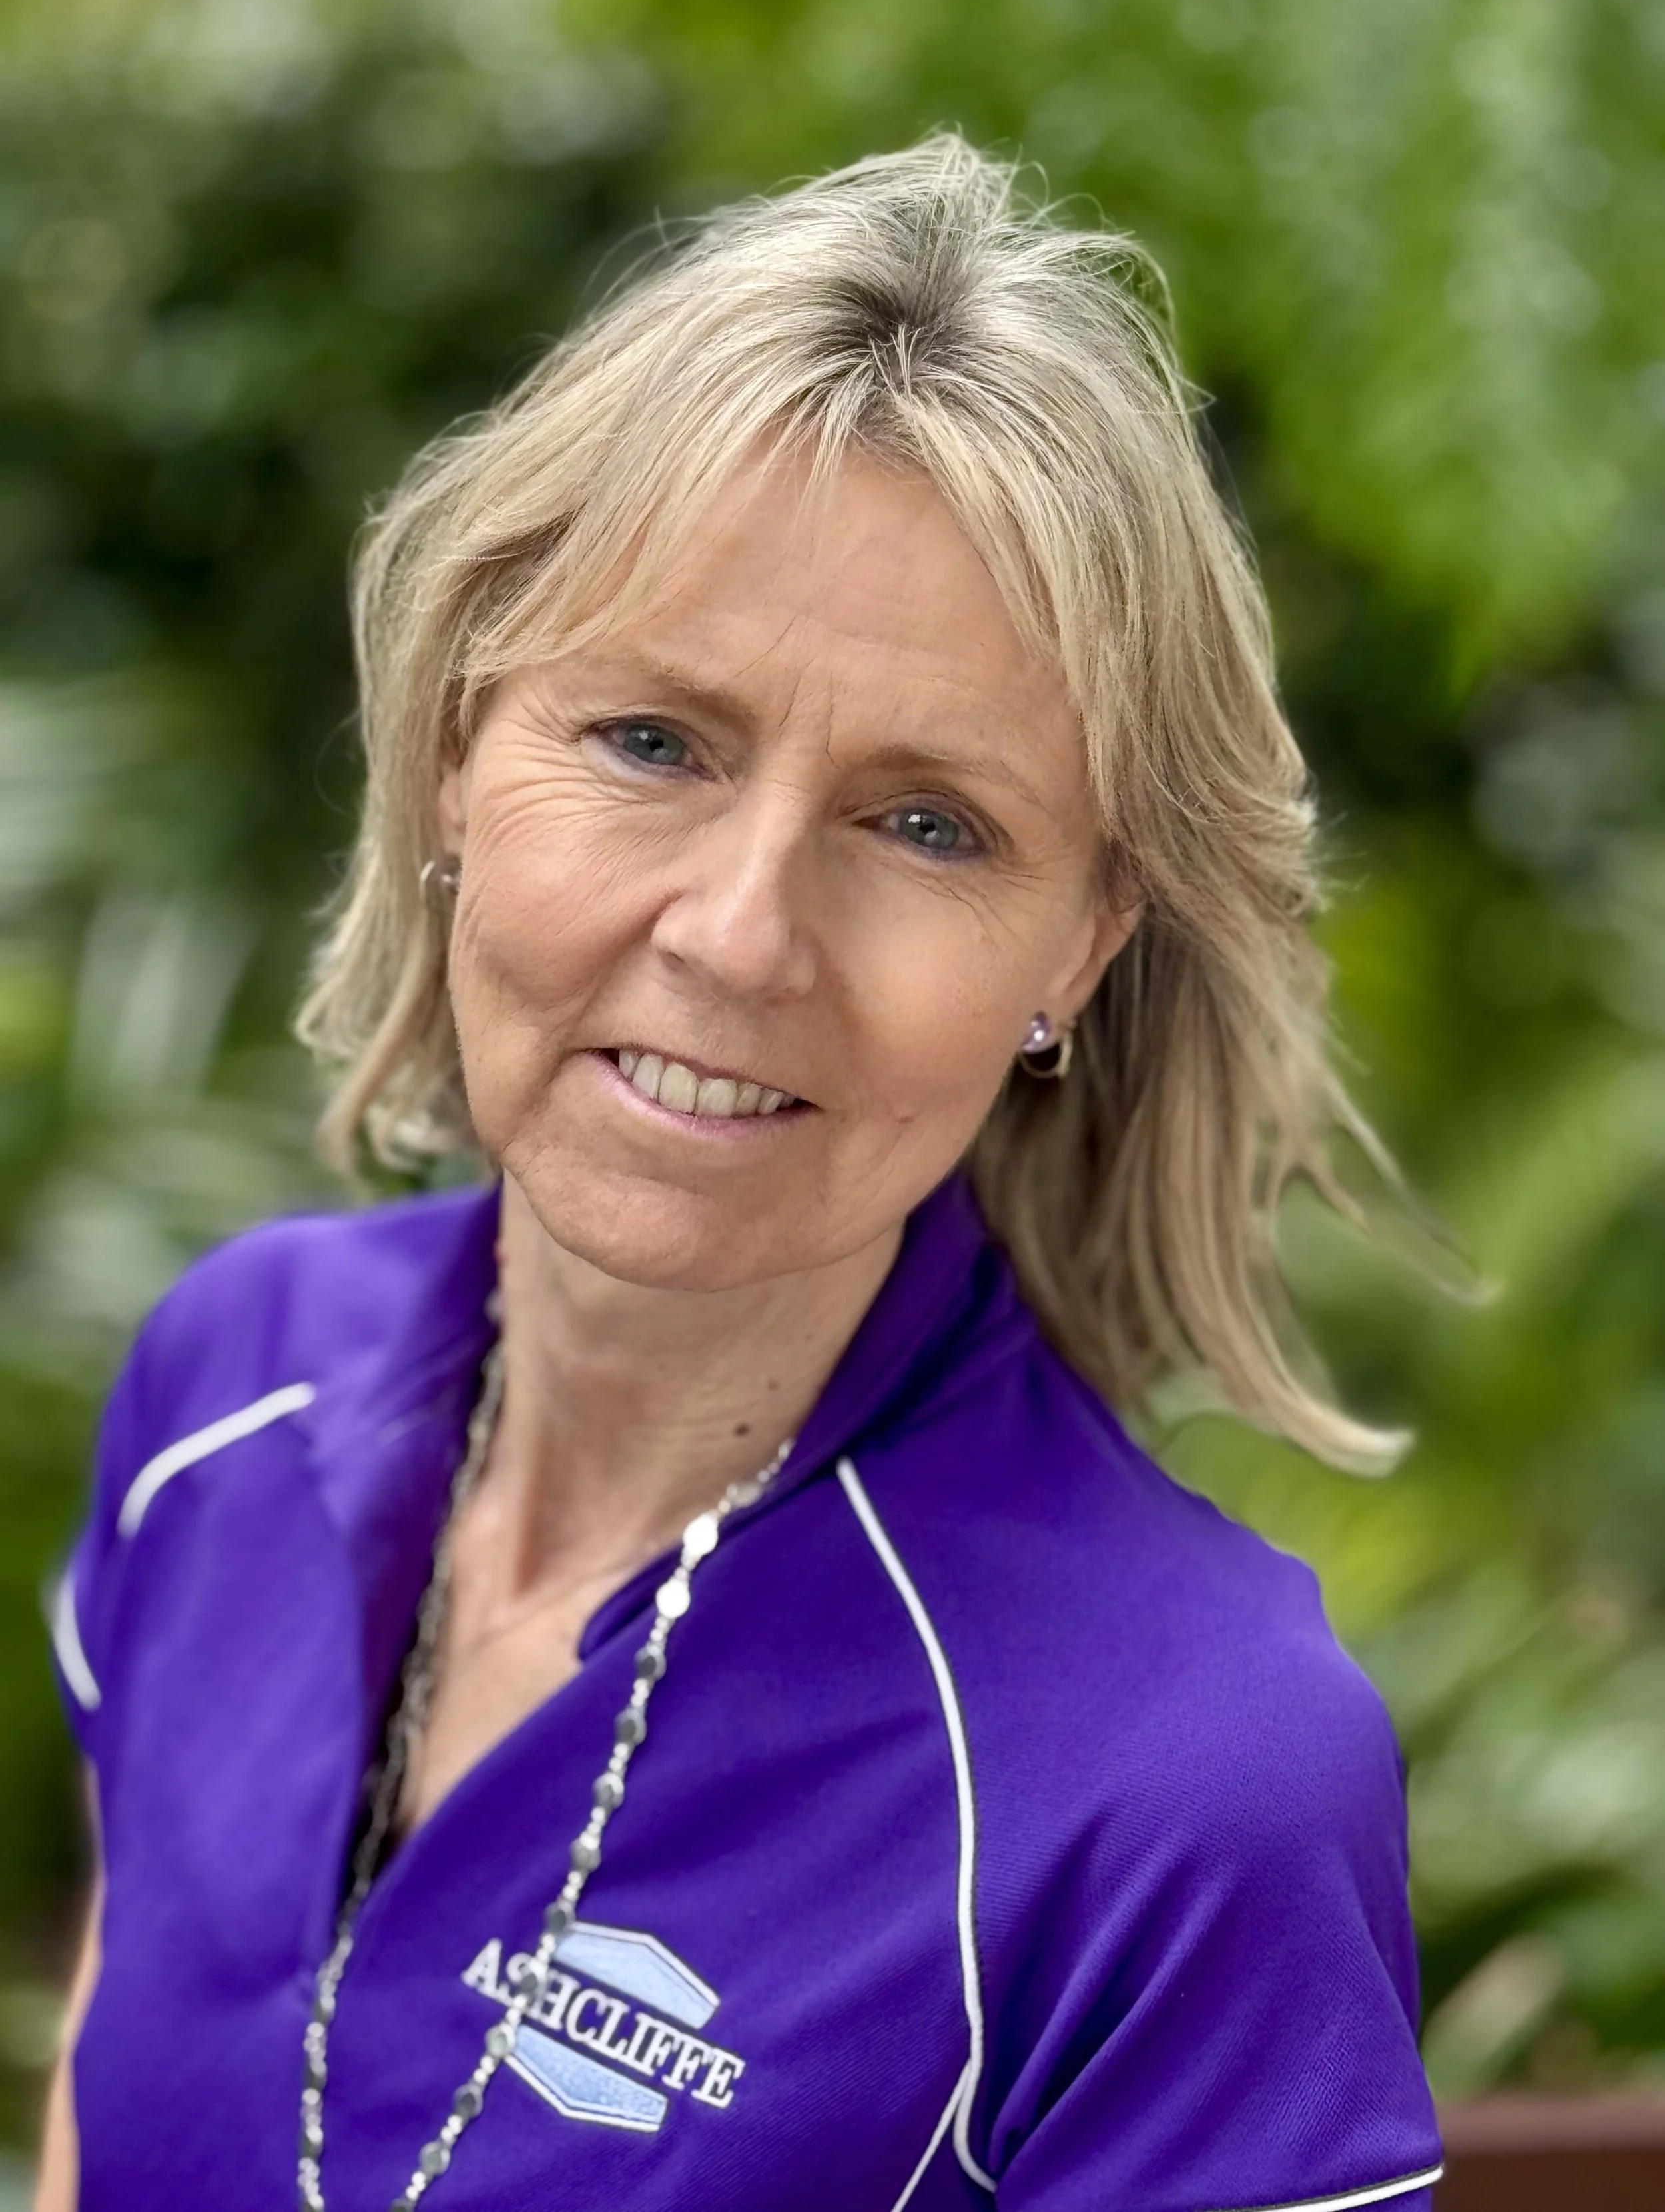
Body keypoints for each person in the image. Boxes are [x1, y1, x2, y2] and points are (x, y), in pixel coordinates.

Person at [38, 137, 1443, 2211]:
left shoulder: (1181, 1780)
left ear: (1079, 946)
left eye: (929, 823)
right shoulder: (224, 1391)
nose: (738, 931)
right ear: (455, 749)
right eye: (652, 741)